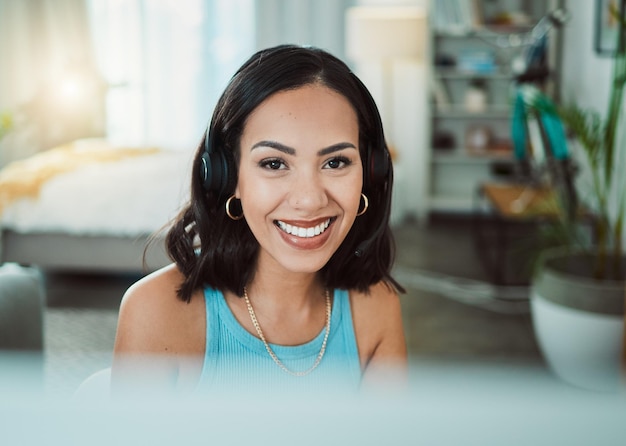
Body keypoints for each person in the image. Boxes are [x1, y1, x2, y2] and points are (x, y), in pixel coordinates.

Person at [112, 44, 407, 396]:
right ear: (227, 176)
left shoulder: (376, 307)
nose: (310, 199)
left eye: (335, 162)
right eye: (274, 163)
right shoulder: (155, 313)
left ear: (370, 174)